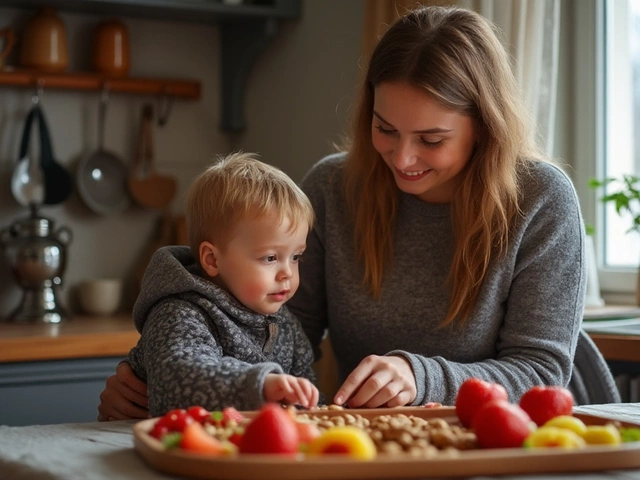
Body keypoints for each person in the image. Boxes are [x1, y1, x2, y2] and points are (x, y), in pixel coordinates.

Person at [98, 5, 618, 421]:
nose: (403, 158)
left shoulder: (541, 198)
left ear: (484, 127)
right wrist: (159, 376)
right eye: (385, 128)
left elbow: (541, 372)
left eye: (431, 139)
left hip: (529, 431)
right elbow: (268, 330)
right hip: (385, 437)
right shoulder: (331, 187)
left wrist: (421, 377)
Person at [119, 152, 319, 418]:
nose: (287, 274)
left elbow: (306, 402)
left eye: (295, 257)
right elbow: (180, 379)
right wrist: (260, 385)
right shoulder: (179, 312)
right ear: (212, 259)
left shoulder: (287, 325)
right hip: (152, 446)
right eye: (270, 258)